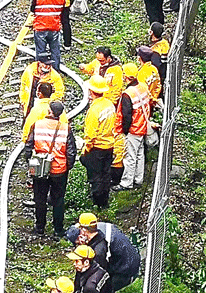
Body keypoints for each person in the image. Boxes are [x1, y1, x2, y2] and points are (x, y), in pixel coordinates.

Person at [26, 99, 75, 238]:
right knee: (58, 200)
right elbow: (71, 152)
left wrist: (31, 165)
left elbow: (28, 147)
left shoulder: (37, 125)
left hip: (40, 169)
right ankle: (58, 229)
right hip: (59, 170)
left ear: (49, 111)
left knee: (40, 199)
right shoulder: (66, 128)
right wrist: (67, 167)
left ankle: (40, 228)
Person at [66, 214, 141, 292]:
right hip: (130, 261)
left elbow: (99, 275)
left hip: (126, 273)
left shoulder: (99, 251)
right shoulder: (100, 230)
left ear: (84, 230)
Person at [80, 77, 118, 208]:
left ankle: (98, 202)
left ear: (92, 91)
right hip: (109, 145)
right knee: (105, 174)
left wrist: (86, 149)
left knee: (95, 176)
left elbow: (90, 134)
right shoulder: (109, 104)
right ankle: (105, 200)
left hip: (97, 147)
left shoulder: (94, 110)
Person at [118, 65, 152, 190]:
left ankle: (126, 183)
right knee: (140, 154)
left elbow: (126, 115)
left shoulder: (127, 94)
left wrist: (125, 131)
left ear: (127, 76)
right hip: (142, 125)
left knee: (130, 157)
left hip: (134, 129)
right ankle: (138, 179)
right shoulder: (143, 86)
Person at [29, 0, 69, 71]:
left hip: (40, 27)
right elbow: (63, 12)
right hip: (54, 27)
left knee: (40, 52)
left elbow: (32, 9)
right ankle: (55, 71)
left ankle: (40, 72)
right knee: (55, 51)